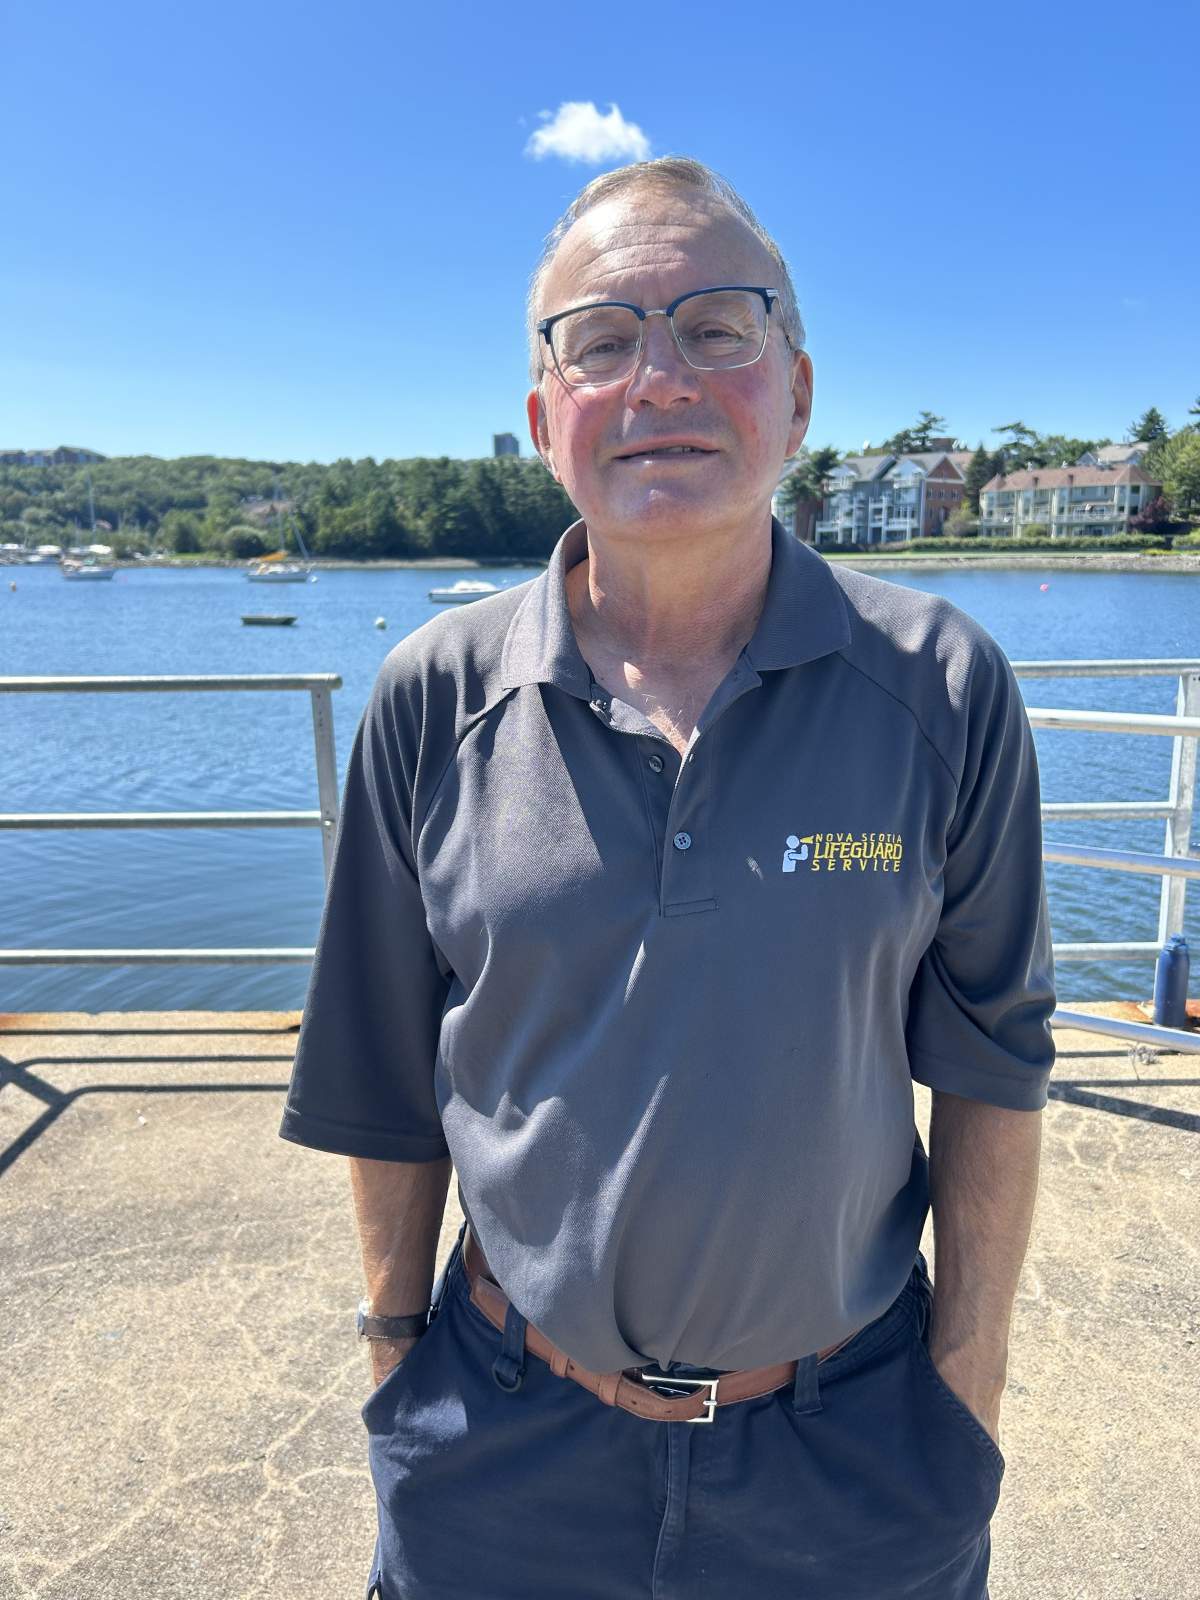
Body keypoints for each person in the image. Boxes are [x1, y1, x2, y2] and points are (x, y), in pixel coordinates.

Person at [279, 156, 1055, 1600]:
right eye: (601, 341)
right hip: (502, 1443)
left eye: (716, 328)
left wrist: (966, 1397)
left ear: (798, 395)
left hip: (849, 1450)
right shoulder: (434, 697)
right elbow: (381, 1081)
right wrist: (395, 1359)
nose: (660, 380)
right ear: (544, 419)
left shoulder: (942, 687)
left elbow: (994, 1070)